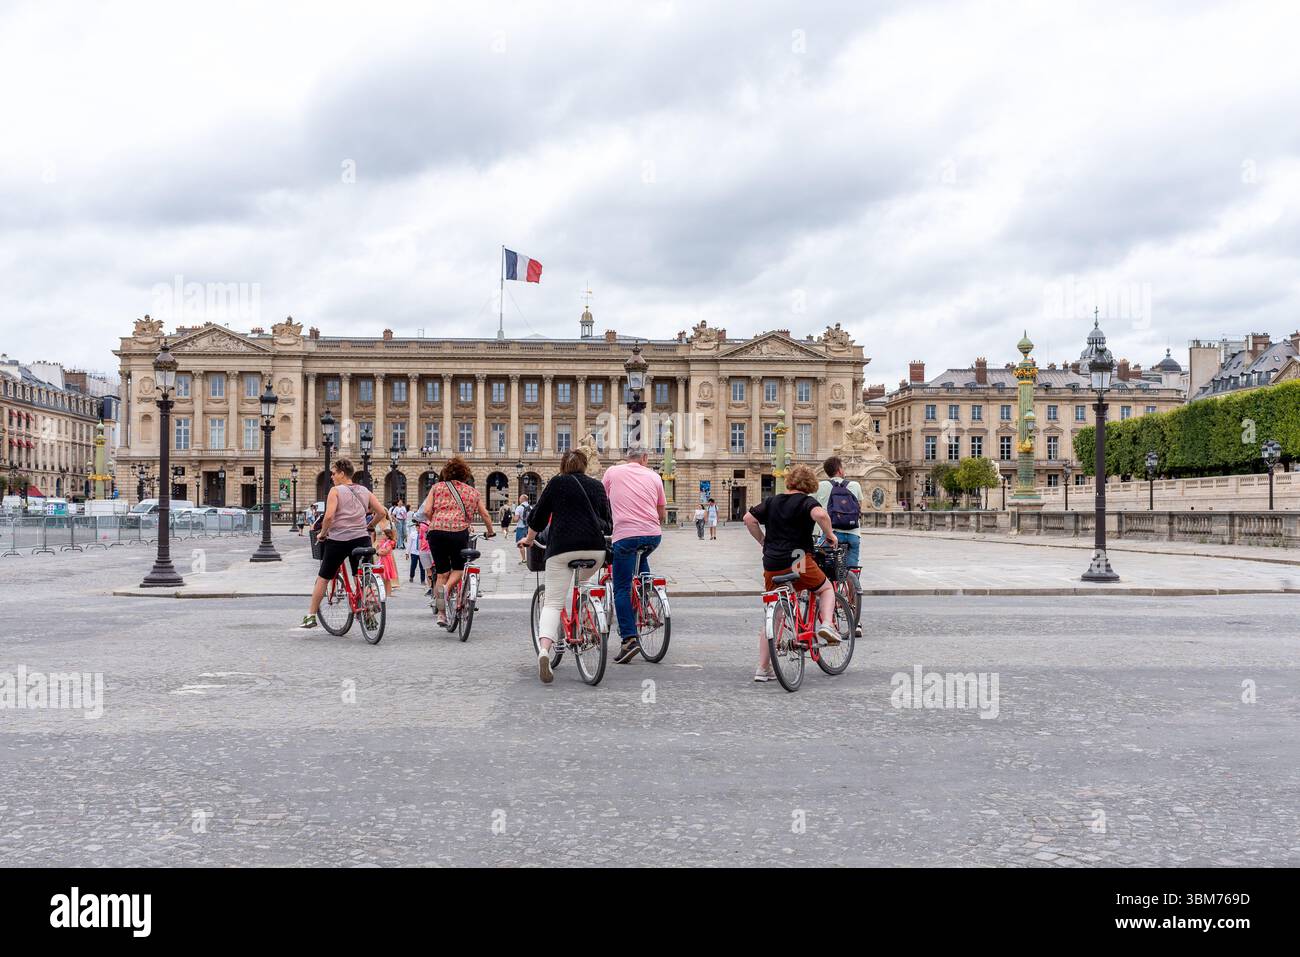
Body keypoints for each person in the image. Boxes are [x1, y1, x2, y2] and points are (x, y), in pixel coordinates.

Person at [521, 449, 612, 684]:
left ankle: (544, 652)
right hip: (594, 550)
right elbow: (609, 522)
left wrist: (529, 540)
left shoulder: (556, 483)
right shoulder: (597, 486)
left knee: (552, 602)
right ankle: (587, 621)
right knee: (584, 584)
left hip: (562, 549)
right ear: (584, 466)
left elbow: (538, 519)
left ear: (563, 465)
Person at [743, 464, 840, 682]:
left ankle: (762, 668)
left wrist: (762, 540)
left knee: (774, 611)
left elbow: (748, 519)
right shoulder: (806, 502)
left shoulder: (772, 500)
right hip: (797, 557)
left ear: (789, 481)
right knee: (825, 588)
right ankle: (827, 624)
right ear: (810, 485)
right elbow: (821, 514)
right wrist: (830, 534)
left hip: (771, 561)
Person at [298, 458, 389, 629]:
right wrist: (369, 526)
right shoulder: (364, 491)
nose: (331, 477)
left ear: (341, 473)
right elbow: (381, 512)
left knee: (323, 577)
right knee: (362, 576)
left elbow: (329, 516)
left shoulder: (336, 491)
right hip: (361, 539)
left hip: (338, 540)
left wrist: (323, 534)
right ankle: (369, 615)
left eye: (333, 473)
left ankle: (310, 615)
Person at [602, 447, 667, 664]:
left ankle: (629, 639)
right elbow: (661, 514)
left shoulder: (612, 472)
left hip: (626, 536)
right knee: (642, 557)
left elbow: (602, 502)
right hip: (653, 536)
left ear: (627, 458)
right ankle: (645, 594)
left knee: (621, 588)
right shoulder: (655, 476)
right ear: (645, 459)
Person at [417, 456, 496, 627]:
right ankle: (446, 591)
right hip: (459, 533)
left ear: (446, 473)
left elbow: (427, 510)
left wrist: (436, 521)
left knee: (441, 573)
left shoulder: (437, 487)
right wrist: (490, 532)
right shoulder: (472, 492)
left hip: (436, 532)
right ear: (465, 475)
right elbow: (485, 515)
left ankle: (441, 614)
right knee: (459, 569)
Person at [374, 517, 400, 593]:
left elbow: (386, 551)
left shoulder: (389, 542)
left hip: (386, 560)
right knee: (382, 575)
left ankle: (388, 592)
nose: (382, 535)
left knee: (387, 576)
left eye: (383, 534)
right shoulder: (383, 542)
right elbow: (373, 535)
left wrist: (379, 552)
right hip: (381, 557)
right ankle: (383, 591)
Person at [513, 494, 532, 564]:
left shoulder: (519, 507)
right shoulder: (531, 507)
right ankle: (530, 559)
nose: (519, 499)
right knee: (529, 543)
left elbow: (516, 519)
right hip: (529, 528)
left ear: (522, 499)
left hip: (521, 528)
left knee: (521, 544)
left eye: (520, 498)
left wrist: (513, 518)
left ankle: (524, 559)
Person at [407, 519, 426, 585]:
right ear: (416, 527)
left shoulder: (424, 534)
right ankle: (411, 576)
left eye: (420, 527)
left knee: (422, 567)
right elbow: (409, 544)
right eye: (418, 527)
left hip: (421, 552)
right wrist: (407, 553)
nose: (419, 528)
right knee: (413, 566)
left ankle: (422, 580)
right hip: (414, 552)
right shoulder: (412, 534)